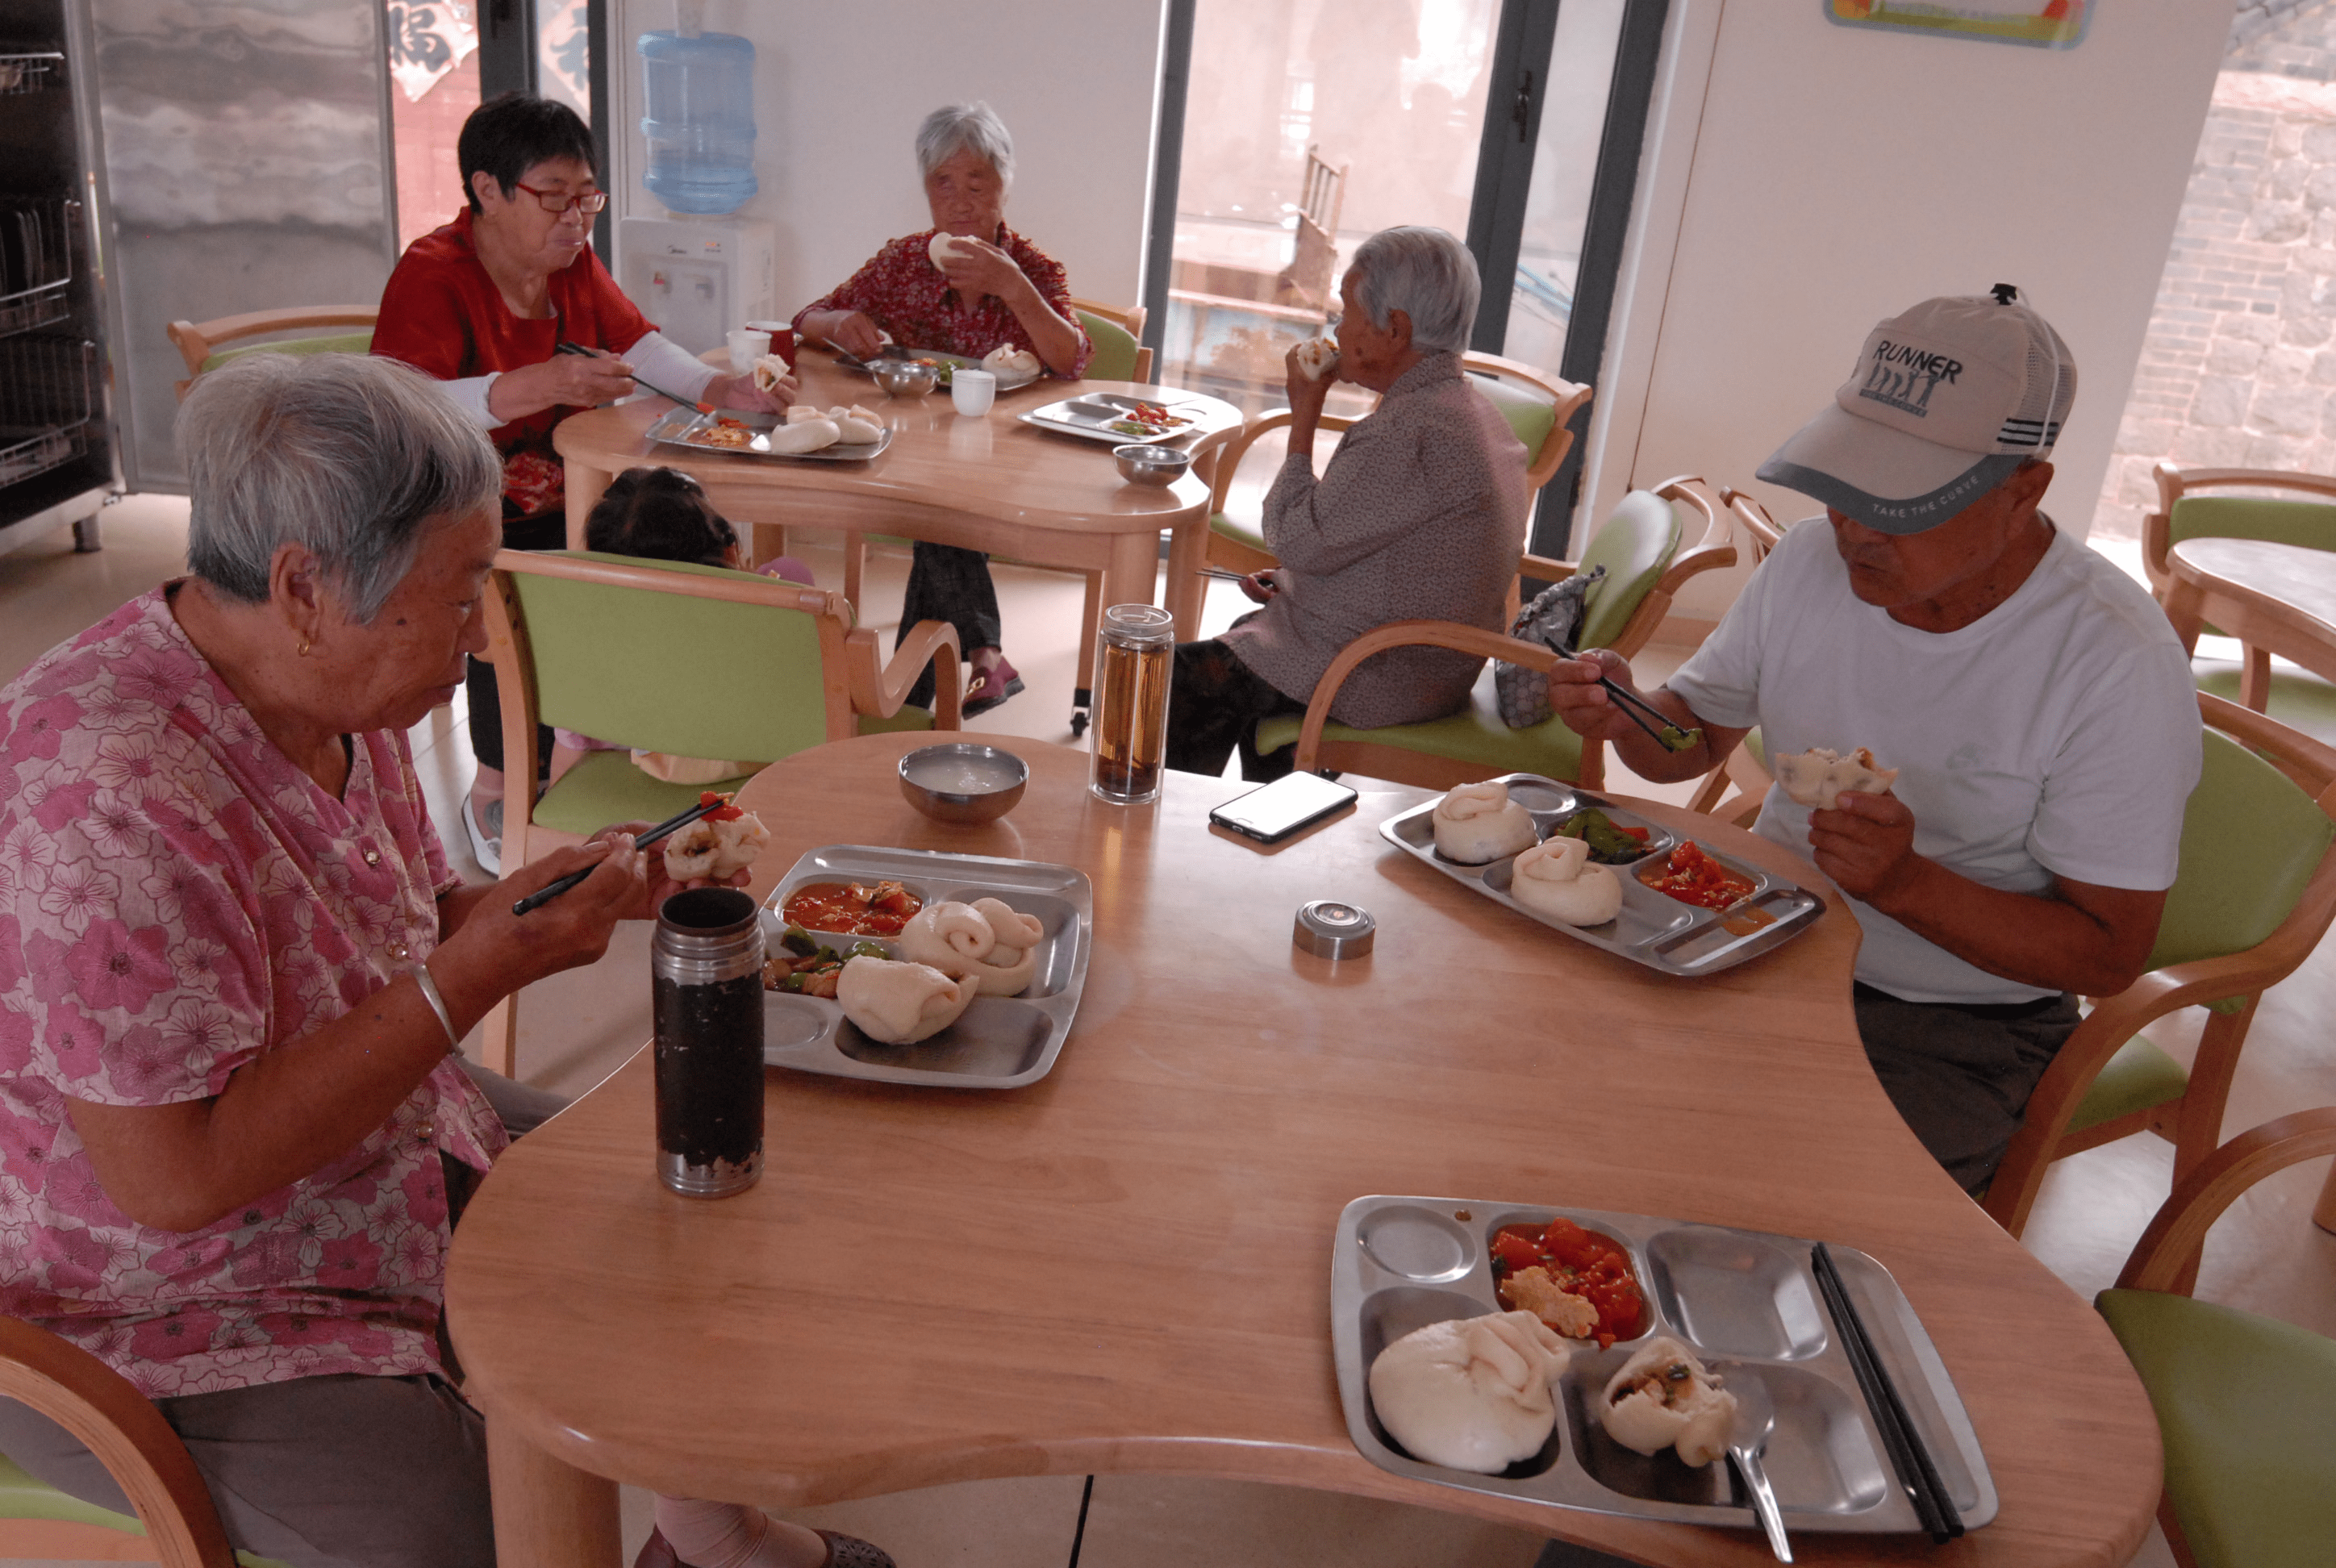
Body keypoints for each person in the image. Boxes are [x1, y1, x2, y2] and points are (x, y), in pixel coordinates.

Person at [0, 354, 887, 1568]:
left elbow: (420, 912)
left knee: (686, 1195)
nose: (476, 640)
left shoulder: (324, 698)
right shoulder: (108, 787)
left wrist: (596, 896)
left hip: (366, 1146)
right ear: (306, 588)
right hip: (147, 1290)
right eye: (461, 597)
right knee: (472, 1530)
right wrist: (480, 973)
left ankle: (705, 1528)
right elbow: (175, 1177)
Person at [1547, 289, 2204, 1192]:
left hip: (1949, 1025)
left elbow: (2105, 954)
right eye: (1845, 484)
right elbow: (1688, 743)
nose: (1854, 526)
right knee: (1551, 1093)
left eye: (1900, 501)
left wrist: (1905, 884)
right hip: (1750, 933)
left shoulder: (2111, 662)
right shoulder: (1809, 567)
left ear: (2022, 492)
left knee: (1793, 1211)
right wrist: (1632, 711)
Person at [371, 92, 793, 875]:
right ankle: (498, 785)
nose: (576, 220)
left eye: (586, 198)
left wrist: (719, 389)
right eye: (555, 199)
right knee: (514, 600)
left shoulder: (570, 267)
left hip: (559, 494)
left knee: (637, 551)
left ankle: (611, 738)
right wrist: (539, 382)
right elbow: (403, 403)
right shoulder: (434, 274)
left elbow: (639, 345)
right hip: (456, 506)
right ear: (486, 191)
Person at [1162, 226, 1526, 780]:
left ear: (1394, 330)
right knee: (1242, 640)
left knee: (1172, 681)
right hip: (1429, 663)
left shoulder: (1409, 432)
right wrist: (1295, 579)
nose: (1337, 327)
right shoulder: (1465, 408)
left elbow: (1294, 538)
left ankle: (1165, 833)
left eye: (1346, 311)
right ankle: (1272, 812)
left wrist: (1304, 412)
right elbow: (1376, 542)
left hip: (1382, 670)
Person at [793, 101, 1094, 718]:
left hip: (1007, 459)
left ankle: (922, 688)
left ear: (1004, 187)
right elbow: (807, 319)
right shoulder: (903, 262)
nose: (959, 200)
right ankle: (963, 671)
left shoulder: (1034, 270)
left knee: (940, 512)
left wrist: (1014, 287)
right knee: (938, 511)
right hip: (912, 452)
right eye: (942, 183)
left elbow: (1072, 359)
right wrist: (840, 322)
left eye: (976, 183)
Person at [551, 465, 816, 788]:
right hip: (770, 765)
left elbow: (571, 746)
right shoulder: (786, 588)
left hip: (649, 776)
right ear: (726, 545)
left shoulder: (596, 643)